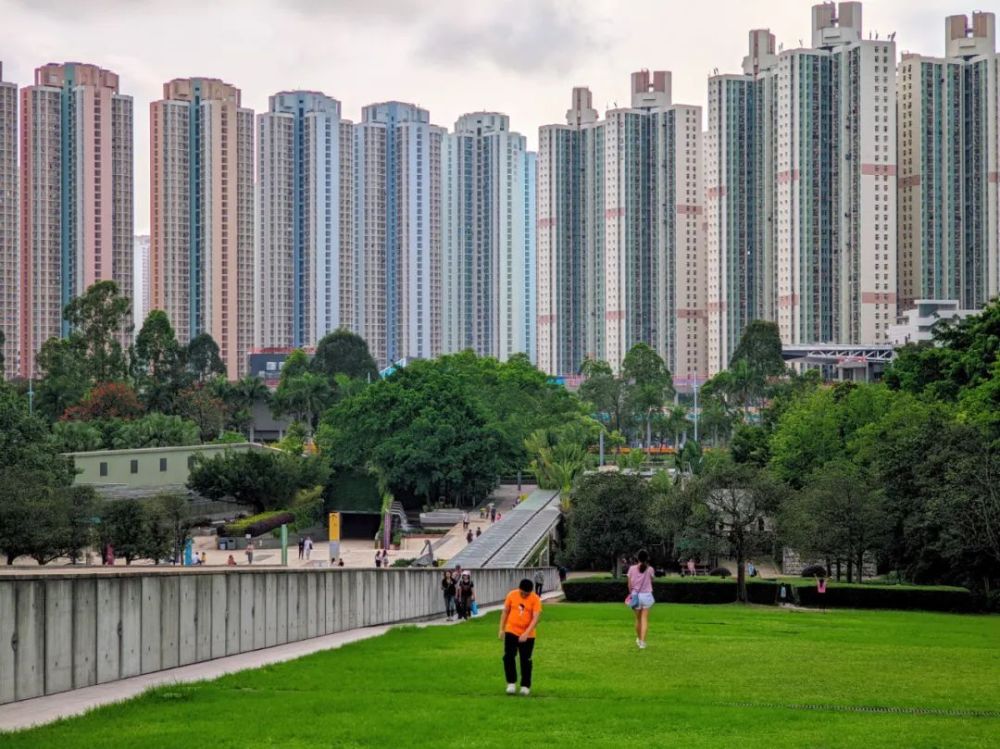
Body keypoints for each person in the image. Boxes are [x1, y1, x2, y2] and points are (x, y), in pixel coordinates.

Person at [499, 578, 542, 696]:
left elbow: (535, 618)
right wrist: (501, 629)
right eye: (522, 593)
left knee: (525, 660)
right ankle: (511, 683)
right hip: (511, 630)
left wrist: (526, 633)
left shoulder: (535, 599)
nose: (524, 595)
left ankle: (525, 685)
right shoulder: (512, 595)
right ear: (519, 589)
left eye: (526, 594)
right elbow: (505, 612)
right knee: (508, 656)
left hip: (528, 634)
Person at [627, 549, 655, 649]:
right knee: (644, 619)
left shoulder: (631, 568)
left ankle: (639, 639)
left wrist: (631, 594)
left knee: (638, 619)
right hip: (646, 596)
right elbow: (651, 581)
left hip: (636, 596)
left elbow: (629, 584)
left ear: (637, 558)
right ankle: (642, 642)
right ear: (647, 558)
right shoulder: (650, 569)